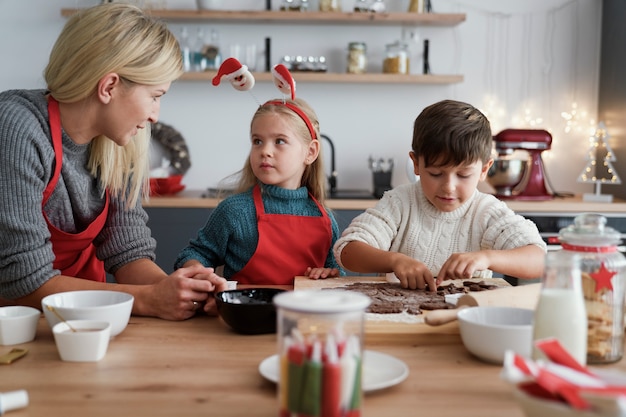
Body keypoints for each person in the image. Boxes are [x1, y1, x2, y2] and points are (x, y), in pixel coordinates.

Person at [0, 3, 227, 320]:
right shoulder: (16, 127)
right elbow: (24, 281)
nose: (154, 115)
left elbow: (128, 254)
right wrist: (148, 300)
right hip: (15, 332)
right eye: (155, 95)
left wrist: (183, 293)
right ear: (109, 87)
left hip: (87, 324)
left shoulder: (121, 143)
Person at [334, 99, 547, 291]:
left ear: (484, 169)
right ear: (416, 164)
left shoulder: (487, 212)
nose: (448, 187)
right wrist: (395, 261)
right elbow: (347, 250)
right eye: (436, 173)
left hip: (465, 320)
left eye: (463, 175)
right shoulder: (400, 202)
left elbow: (539, 260)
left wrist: (487, 258)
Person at [175, 98, 343, 284]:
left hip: (305, 313)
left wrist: (329, 275)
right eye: (257, 141)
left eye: (279, 141)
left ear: (310, 152)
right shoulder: (235, 211)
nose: (265, 151)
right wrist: (198, 269)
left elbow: (337, 274)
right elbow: (196, 254)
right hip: (246, 312)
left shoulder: (325, 220)